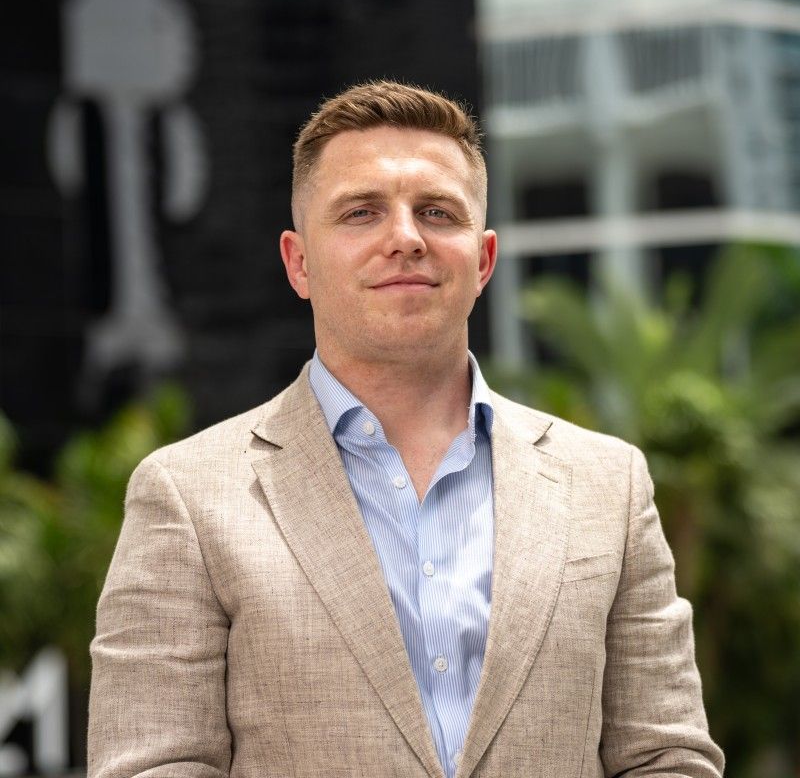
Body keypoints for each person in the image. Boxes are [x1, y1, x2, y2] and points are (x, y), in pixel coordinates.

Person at [88, 80, 724, 778]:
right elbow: (152, 764)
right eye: (361, 213)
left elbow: (668, 756)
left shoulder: (610, 484)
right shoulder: (187, 495)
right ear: (299, 263)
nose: (405, 239)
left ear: (482, 261)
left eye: (436, 212)